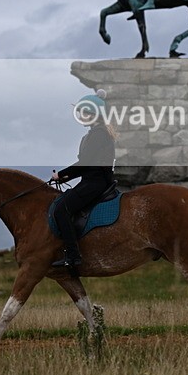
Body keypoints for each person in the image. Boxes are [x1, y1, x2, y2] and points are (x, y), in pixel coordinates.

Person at [50, 90, 117, 269]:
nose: (81, 116)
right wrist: (66, 177)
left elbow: (85, 163)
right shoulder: (97, 132)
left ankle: (73, 256)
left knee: (61, 210)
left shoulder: (98, 134)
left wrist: (61, 174)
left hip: (95, 182)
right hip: (92, 180)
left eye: (84, 112)